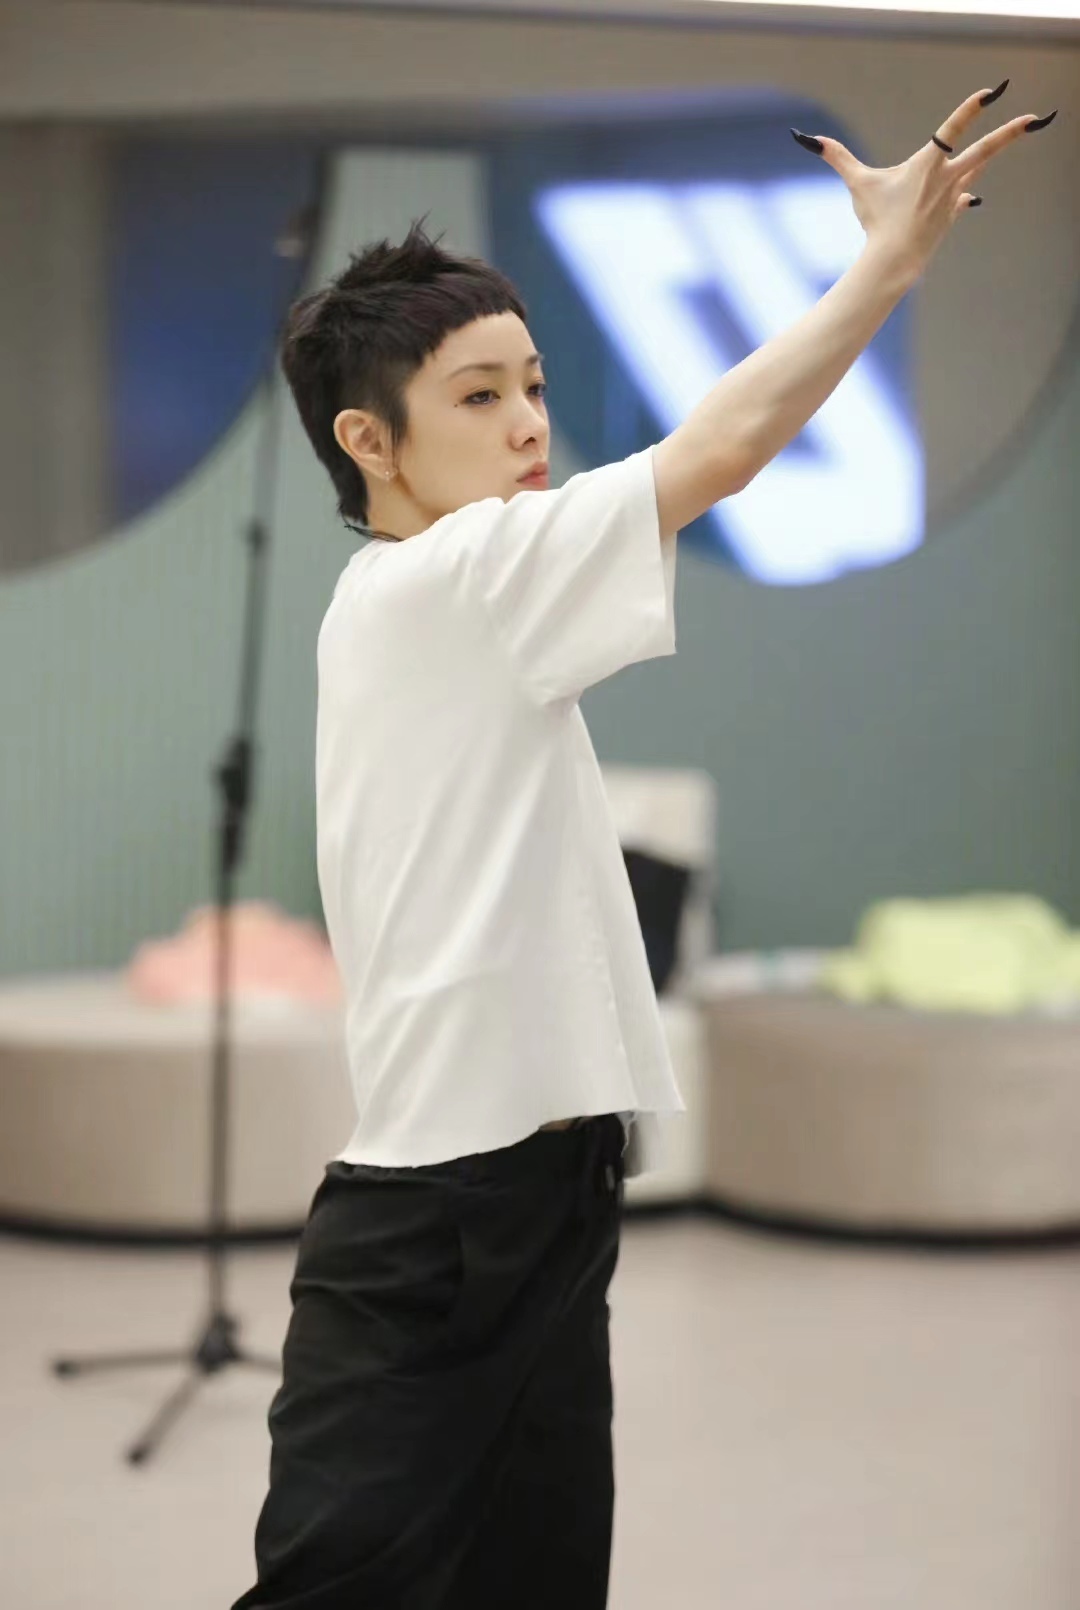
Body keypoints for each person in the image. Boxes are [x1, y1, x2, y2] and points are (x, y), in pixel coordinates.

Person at [232, 85, 1054, 1610]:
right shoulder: (446, 578)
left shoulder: (464, 592)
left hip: (549, 1184)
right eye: (480, 395)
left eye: (534, 383)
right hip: (437, 1217)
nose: (529, 422)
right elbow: (723, 447)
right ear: (370, 440)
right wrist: (886, 261)